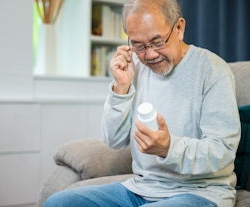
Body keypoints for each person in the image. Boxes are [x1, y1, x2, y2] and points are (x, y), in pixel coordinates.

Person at [44, 0, 241, 206]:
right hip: (140, 189)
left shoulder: (213, 70)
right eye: (138, 45)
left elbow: (223, 151)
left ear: (179, 28)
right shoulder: (134, 70)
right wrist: (121, 88)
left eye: (157, 42)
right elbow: (114, 141)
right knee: (58, 202)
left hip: (199, 192)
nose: (150, 55)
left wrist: (168, 148)